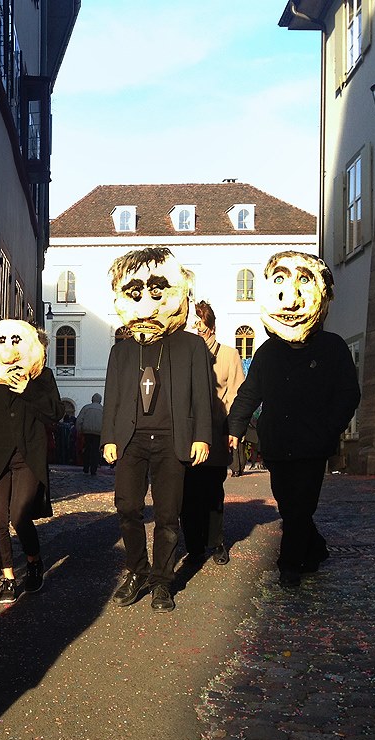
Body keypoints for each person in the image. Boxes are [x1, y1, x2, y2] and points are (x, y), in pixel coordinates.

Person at [228, 251, 360, 588]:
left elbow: (349, 394)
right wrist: (235, 428)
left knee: (302, 506)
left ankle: (289, 566)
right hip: (277, 444)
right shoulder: (267, 352)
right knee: (290, 505)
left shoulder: (332, 347)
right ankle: (314, 548)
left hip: (313, 445)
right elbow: (249, 393)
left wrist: (330, 428)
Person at [100, 247, 214, 613]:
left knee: (168, 515)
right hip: (131, 440)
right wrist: (109, 439)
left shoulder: (192, 345)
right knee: (127, 507)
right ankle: (137, 571)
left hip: (172, 439)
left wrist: (202, 436)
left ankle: (163, 582)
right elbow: (113, 396)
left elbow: (203, 395)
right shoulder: (121, 350)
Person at [0, 319, 64, 604]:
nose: (8, 346)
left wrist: (28, 390)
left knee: (19, 515)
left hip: (28, 457)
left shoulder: (42, 377)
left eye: (16, 340)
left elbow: (55, 413)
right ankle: (7, 577)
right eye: (2, 340)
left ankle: (33, 561)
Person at [179, 300, 245, 569]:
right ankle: (194, 545)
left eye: (201, 325)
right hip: (186, 436)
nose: (197, 330)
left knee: (213, 492)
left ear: (211, 325)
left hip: (216, 434)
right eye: (193, 325)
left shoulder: (228, 355)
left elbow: (237, 392)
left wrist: (230, 425)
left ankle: (216, 541)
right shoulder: (182, 355)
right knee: (187, 494)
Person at [78, 392, 104, 475]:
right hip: (98, 433)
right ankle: (93, 469)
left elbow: (79, 420)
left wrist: (80, 430)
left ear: (92, 399)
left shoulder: (86, 408)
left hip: (87, 432)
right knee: (96, 451)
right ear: (100, 400)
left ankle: (86, 467)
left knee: (87, 450)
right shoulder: (103, 409)